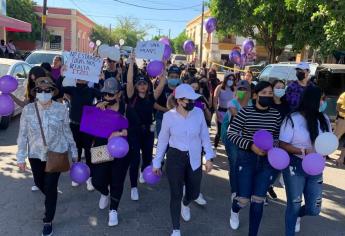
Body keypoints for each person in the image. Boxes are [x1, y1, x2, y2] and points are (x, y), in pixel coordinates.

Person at [17, 77, 77, 236]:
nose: (44, 93)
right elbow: (22, 135)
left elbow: (66, 131)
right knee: (39, 182)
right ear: (35, 92)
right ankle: (52, 195)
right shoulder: (28, 110)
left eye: (47, 90)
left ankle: (47, 220)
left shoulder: (61, 109)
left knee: (50, 187)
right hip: (35, 154)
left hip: (56, 153)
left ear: (52, 92)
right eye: (40, 91)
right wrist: (20, 157)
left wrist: (75, 150)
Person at [152, 84, 214, 236]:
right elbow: (162, 141)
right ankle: (176, 229)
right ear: (179, 101)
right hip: (175, 157)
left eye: (193, 100)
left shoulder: (198, 113)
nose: (192, 103)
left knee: (194, 192)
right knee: (175, 193)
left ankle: (186, 203)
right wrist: (157, 162)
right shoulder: (168, 117)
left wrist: (209, 157)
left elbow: (205, 136)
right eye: (189, 100)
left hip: (194, 157)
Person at [228, 81, 282, 235]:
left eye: (270, 93)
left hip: (266, 162)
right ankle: (235, 208)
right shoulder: (246, 112)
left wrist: (273, 147)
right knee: (244, 200)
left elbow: (277, 137)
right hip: (246, 159)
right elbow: (231, 133)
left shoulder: (275, 115)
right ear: (256, 95)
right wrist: (250, 145)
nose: (267, 96)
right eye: (264, 93)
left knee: (258, 201)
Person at [279, 86, 331, 235]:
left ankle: (297, 216)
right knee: (294, 205)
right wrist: (302, 151)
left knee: (314, 209)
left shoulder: (324, 119)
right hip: (295, 165)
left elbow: (328, 141)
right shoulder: (292, 119)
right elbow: (283, 144)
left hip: (316, 167)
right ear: (312, 100)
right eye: (322, 99)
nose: (323, 102)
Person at [91, 78, 130, 227]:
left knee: (117, 182)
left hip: (121, 152)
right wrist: (96, 110)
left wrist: (120, 133)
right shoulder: (98, 107)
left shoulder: (126, 109)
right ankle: (104, 193)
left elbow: (135, 128)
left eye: (111, 95)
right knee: (97, 180)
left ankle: (113, 210)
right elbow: (89, 127)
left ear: (118, 94)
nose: (107, 98)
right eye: (105, 94)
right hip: (101, 149)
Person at [126, 55, 163, 200]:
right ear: (136, 86)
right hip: (133, 133)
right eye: (139, 83)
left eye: (144, 83)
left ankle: (144, 172)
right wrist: (131, 63)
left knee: (147, 158)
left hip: (148, 132)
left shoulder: (151, 97)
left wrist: (163, 67)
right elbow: (129, 80)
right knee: (134, 160)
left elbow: (162, 84)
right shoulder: (131, 96)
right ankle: (134, 187)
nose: (142, 85)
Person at [62, 79, 101, 189]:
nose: (81, 78)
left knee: (88, 151)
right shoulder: (72, 89)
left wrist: (95, 107)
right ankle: (76, 175)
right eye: (78, 76)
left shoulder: (92, 90)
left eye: (84, 76)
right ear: (75, 78)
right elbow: (59, 89)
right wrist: (62, 74)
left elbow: (103, 97)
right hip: (74, 125)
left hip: (87, 125)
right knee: (76, 151)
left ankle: (89, 177)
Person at [221, 80, 252, 200]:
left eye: (245, 89)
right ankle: (234, 190)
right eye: (240, 89)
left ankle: (244, 188)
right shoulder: (232, 102)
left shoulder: (252, 104)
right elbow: (237, 116)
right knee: (234, 163)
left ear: (249, 92)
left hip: (246, 139)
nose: (242, 92)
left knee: (245, 165)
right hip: (232, 137)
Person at [154, 65, 180, 136]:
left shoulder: (181, 89)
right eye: (172, 76)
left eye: (176, 77)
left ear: (179, 78)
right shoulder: (162, 88)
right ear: (168, 77)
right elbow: (153, 103)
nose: (174, 78)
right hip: (161, 117)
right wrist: (165, 110)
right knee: (162, 139)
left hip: (177, 118)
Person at [213, 72, 235, 148]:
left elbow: (236, 102)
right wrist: (216, 112)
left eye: (232, 79)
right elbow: (214, 101)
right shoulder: (219, 87)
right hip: (221, 112)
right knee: (219, 132)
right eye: (229, 79)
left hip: (230, 113)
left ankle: (228, 149)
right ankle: (215, 148)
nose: (231, 81)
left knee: (229, 133)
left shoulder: (234, 89)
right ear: (225, 79)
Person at [334, 91, 345, 166]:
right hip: (343, 120)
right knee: (334, 139)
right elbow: (338, 107)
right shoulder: (344, 94)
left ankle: (341, 158)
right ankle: (321, 155)